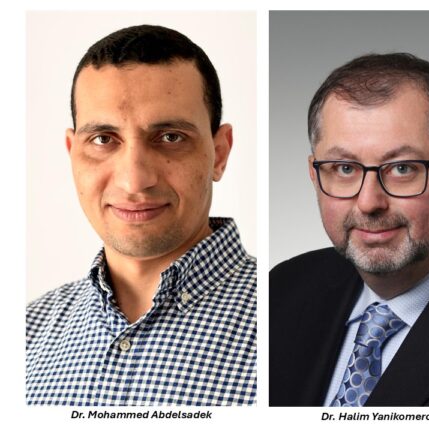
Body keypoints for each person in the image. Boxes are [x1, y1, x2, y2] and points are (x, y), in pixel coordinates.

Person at [26, 25, 257, 406]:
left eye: (170, 137)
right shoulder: (23, 336)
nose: (135, 180)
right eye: (103, 139)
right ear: (72, 152)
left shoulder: (290, 321)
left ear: (219, 153)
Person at [270, 53, 429, 407]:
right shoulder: (282, 290)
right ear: (315, 176)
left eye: (402, 168)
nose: (369, 202)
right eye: (344, 168)